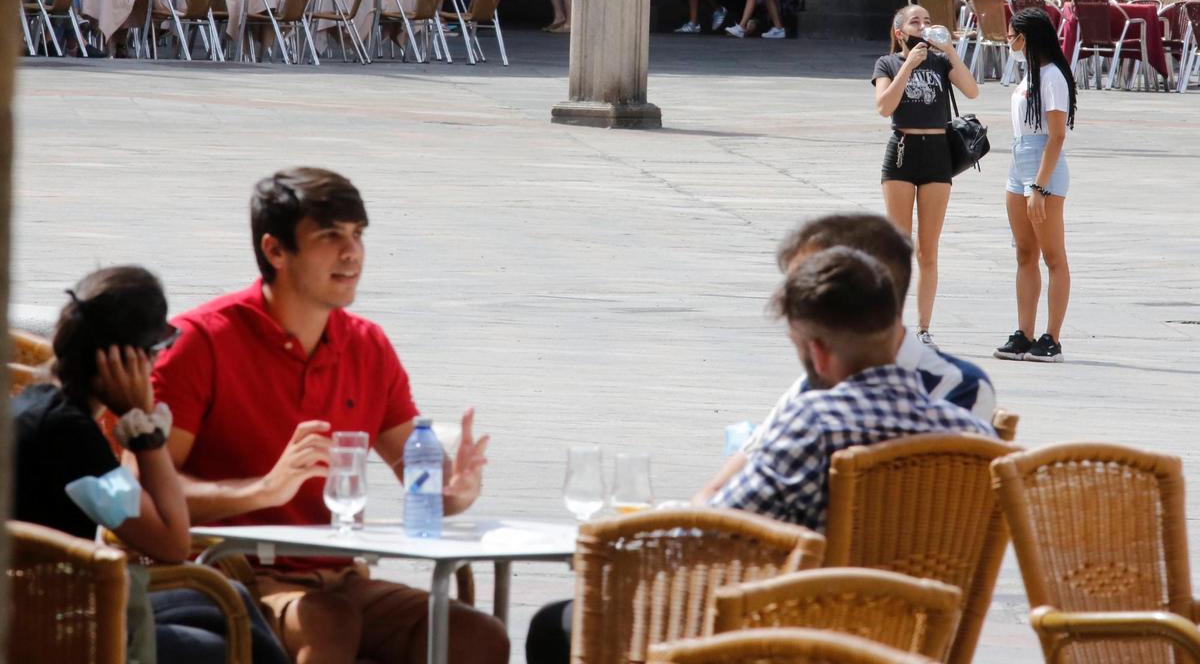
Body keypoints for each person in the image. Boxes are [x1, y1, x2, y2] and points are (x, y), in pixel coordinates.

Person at [526, 243, 995, 663]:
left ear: (819, 353)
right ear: (895, 331)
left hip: (792, 642)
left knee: (554, 626)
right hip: (914, 645)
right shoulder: (978, 440)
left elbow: (712, 531)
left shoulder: (813, 424)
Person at [152, 168, 509, 664]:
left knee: (477, 635)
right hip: (225, 579)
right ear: (275, 251)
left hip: (343, 580)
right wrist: (263, 490)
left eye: (357, 234)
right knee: (328, 621)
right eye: (329, 236)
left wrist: (450, 493)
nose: (352, 252)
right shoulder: (200, 341)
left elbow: (417, 470)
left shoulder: (368, 345)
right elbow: (144, 489)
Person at [11, 266, 288, 664]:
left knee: (235, 602)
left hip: (47, 608)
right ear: (124, 361)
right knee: (233, 640)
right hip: (53, 633)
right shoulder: (68, 435)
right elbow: (172, 542)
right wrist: (145, 431)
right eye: (156, 353)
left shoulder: (37, 403)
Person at [692, 212, 997, 506]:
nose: (788, 307)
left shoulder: (958, 386)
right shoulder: (818, 380)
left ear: (867, 287)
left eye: (808, 286)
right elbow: (731, 476)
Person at [872, 4, 978, 347]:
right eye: (916, 21)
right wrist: (908, 66)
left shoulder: (941, 61)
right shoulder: (887, 63)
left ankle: (923, 328)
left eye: (928, 21)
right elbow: (884, 107)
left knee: (928, 249)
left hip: (936, 154)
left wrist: (949, 50)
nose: (924, 25)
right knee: (899, 246)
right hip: (902, 151)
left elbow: (972, 90)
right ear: (900, 31)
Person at [994, 8, 1076, 363]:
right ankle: (1024, 333)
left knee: (1053, 255)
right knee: (1024, 253)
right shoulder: (1030, 75)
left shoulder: (1053, 76)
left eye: (1012, 35)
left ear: (1028, 37)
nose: (1008, 41)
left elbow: (1056, 136)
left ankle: (1052, 338)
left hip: (1044, 167)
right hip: (1018, 162)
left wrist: (1039, 188)